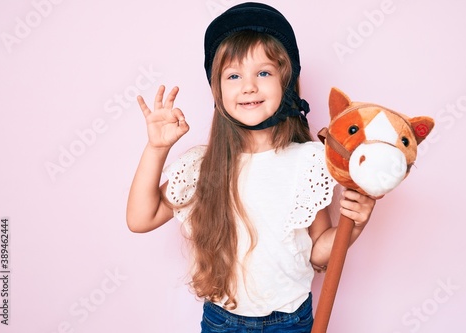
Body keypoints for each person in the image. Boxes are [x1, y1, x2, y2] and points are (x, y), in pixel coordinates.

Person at [126, 2, 377, 332]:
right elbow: (139, 219)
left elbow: (319, 253)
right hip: (221, 321)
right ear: (217, 90)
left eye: (263, 72)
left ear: (285, 82)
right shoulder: (203, 166)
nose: (248, 86)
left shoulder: (310, 160)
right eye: (233, 75)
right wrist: (157, 149)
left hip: (290, 321)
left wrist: (354, 226)